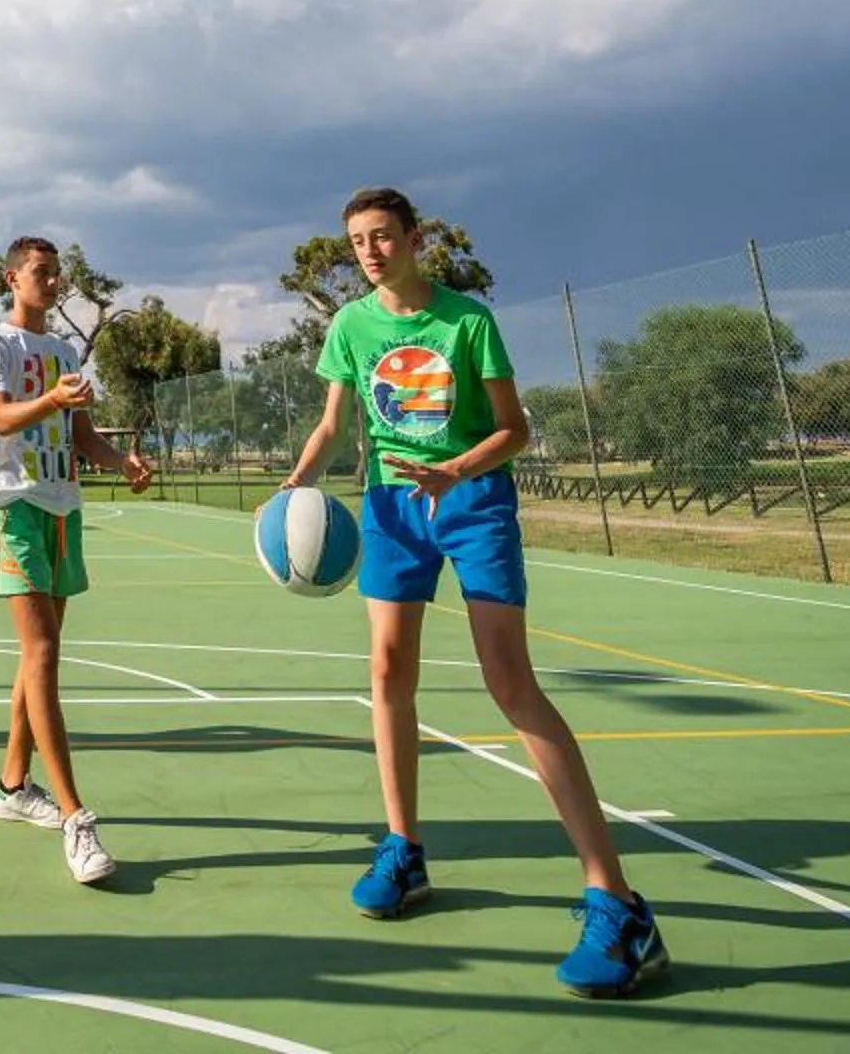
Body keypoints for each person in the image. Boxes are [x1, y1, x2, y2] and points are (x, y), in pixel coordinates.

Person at [280, 187, 669, 997]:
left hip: (471, 499)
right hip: (390, 506)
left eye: (383, 236)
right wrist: (298, 484)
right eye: (357, 241)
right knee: (386, 674)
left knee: (509, 683)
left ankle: (619, 902)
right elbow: (332, 423)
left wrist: (456, 470)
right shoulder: (351, 326)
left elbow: (514, 430)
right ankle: (403, 848)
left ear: (415, 239)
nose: (371, 251)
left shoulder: (466, 322)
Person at [0, 236, 153, 886]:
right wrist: (53, 399)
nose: (51, 283)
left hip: (61, 509)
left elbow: (81, 438)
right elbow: (4, 417)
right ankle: (75, 817)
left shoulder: (64, 351)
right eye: (40, 274)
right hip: (13, 505)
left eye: (56, 275)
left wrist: (119, 460)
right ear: (12, 279)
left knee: (37, 657)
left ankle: (13, 786)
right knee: (42, 652)